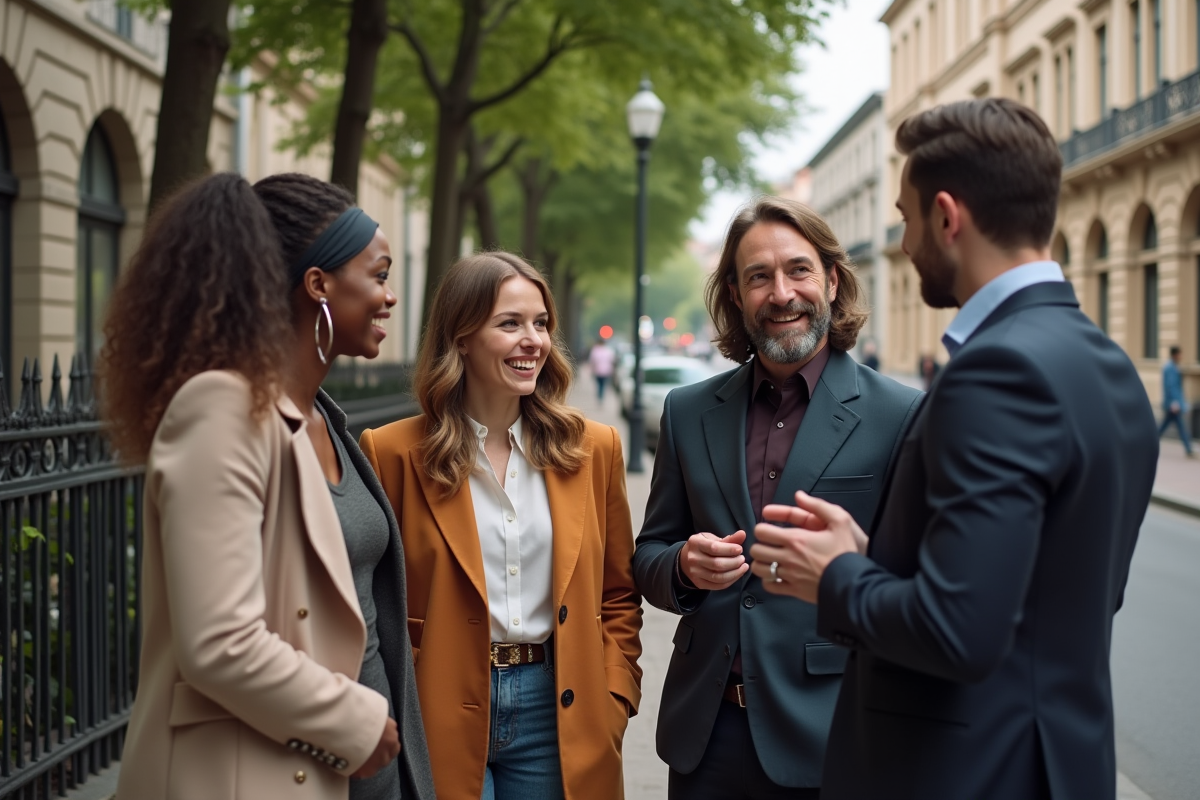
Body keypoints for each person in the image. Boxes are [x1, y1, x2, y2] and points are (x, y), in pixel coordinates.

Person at [748, 99, 1158, 800]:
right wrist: (876, 557)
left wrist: (840, 573)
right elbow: (1057, 598)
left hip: (966, 774)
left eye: (906, 218)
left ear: (947, 216)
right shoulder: (1108, 364)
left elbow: (960, 631)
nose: (904, 243)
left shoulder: (997, 371)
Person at [104, 172, 435, 800]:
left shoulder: (322, 420)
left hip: (362, 772)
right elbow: (219, 643)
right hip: (267, 770)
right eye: (380, 274)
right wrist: (355, 723)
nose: (390, 297)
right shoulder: (222, 409)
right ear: (319, 286)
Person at [632, 196, 922, 800]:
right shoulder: (686, 413)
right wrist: (683, 566)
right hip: (705, 735)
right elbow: (649, 555)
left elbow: (919, 587)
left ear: (832, 280)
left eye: (798, 270)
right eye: (758, 277)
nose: (782, 293)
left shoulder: (901, 415)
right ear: (736, 296)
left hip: (835, 734)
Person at [360, 251, 643, 800]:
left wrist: (615, 693)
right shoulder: (392, 453)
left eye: (541, 324)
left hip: (559, 709)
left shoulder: (594, 448)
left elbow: (618, 592)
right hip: (435, 706)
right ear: (461, 338)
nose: (533, 340)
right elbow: (373, 602)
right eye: (509, 323)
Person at [1160, 345, 1194, 457]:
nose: (1181, 356)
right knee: (1180, 426)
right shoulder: (1170, 368)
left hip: (1173, 403)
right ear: (1175, 355)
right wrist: (1174, 402)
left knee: (1164, 426)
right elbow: (1171, 386)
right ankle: (1189, 449)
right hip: (1173, 404)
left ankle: (1189, 449)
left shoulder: (1173, 366)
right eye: (1179, 354)